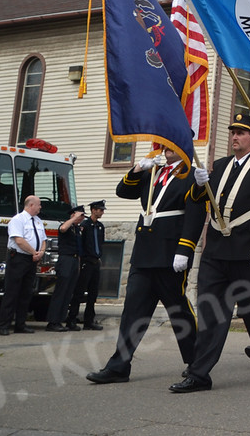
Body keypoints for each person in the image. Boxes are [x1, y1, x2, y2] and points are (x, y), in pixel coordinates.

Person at [169, 113, 250, 393]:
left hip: (249, 252)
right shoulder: (219, 166)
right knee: (211, 312)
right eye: (233, 132)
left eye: (241, 133)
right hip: (217, 252)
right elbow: (198, 204)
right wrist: (198, 185)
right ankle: (199, 374)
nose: (235, 137)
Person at [87, 150, 198, 384]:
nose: (166, 149)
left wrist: (185, 249)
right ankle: (119, 366)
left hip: (170, 253)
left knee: (178, 311)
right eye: (164, 145)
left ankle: (196, 362)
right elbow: (123, 191)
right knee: (132, 312)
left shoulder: (189, 175)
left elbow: (195, 216)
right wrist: (138, 168)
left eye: (172, 144)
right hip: (144, 252)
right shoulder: (153, 171)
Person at [0, 195, 45, 335]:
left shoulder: (38, 221)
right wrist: (34, 252)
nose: (40, 207)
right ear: (31, 205)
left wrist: (40, 252)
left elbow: (43, 239)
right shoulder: (18, 220)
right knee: (12, 292)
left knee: (26, 293)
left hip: (32, 260)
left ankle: (20, 325)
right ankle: (3, 325)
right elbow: (19, 240)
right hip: (18, 258)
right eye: (39, 204)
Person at [44, 205, 84, 331]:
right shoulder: (66, 225)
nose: (81, 219)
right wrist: (73, 218)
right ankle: (52, 321)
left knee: (68, 292)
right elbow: (63, 228)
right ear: (73, 215)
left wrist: (78, 264)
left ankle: (60, 320)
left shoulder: (77, 229)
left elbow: (78, 247)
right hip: (65, 259)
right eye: (79, 216)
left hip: (74, 259)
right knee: (61, 291)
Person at [68, 200, 107, 330]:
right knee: (79, 292)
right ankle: (72, 319)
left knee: (93, 293)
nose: (102, 212)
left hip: (95, 262)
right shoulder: (84, 225)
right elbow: (81, 243)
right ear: (93, 210)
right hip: (86, 262)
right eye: (100, 210)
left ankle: (89, 320)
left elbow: (101, 243)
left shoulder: (100, 226)